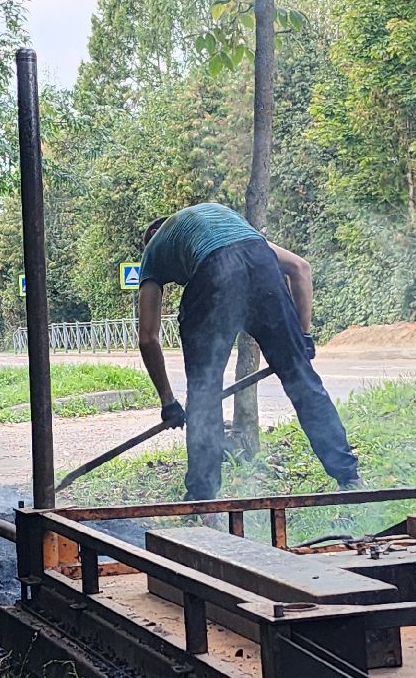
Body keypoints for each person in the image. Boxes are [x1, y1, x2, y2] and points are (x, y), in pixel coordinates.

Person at [135, 203, 359, 501]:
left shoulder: (153, 249)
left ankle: (202, 498)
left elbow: (148, 338)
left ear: (153, 234)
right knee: (300, 377)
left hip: (212, 274)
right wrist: (301, 340)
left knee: (205, 393)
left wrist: (168, 402)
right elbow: (300, 268)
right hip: (260, 263)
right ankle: (349, 477)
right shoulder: (226, 222)